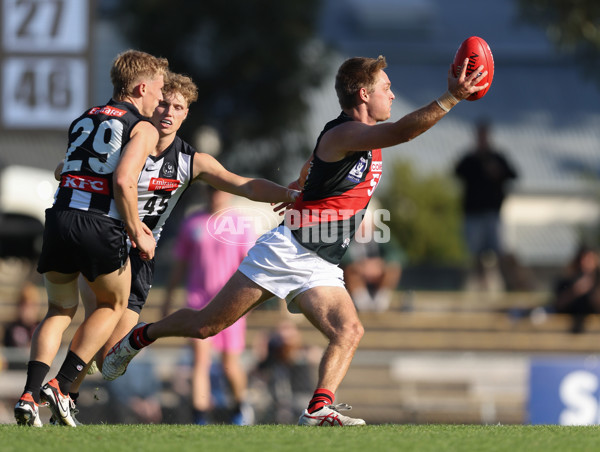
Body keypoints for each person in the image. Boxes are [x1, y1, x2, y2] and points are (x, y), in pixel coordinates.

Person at [102, 54, 487, 426]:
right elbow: (402, 131)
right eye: (386, 87)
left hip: (321, 263)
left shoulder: (355, 138)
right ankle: (139, 336)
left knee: (349, 330)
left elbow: (314, 164)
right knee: (206, 327)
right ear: (364, 95)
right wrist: (451, 96)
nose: (392, 93)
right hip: (288, 252)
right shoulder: (347, 132)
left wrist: (300, 186)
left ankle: (318, 409)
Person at [60, 72, 299, 425]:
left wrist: (289, 194)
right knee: (97, 328)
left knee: (109, 354)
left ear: (186, 114)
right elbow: (71, 168)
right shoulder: (126, 141)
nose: (168, 112)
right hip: (107, 245)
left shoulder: (191, 161)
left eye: (178, 107)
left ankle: (63, 393)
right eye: (163, 103)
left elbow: (243, 185)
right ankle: (62, 397)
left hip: (141, 259)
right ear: (151, 104)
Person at [14, 49, 168, 428]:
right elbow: (122, 180)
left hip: (59, 219)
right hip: (99, 225)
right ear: (141, 87)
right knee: (111, 306)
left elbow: (60, 170)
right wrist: (137, 233)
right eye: (160, 90)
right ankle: (64, 386)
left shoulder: (85, 117)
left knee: (58, 311)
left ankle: (29, 395)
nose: (161, 100)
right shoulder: (143, 126)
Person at [161, 187, 253, 425]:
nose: (215, 195)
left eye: (220, 191)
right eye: (211, 190)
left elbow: (249, 264)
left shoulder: (240, 224)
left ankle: (240, 408)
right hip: (198, 302)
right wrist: (167, 300)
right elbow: (179, 266)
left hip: (231, 302)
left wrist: (249, 300)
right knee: (200, 362)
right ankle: (199, 415)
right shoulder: (193, 223)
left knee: (229, 365)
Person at [454, 119, 518, 291]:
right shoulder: (470, 158)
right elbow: (457, 172)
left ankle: (506, 286)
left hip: (493, 213)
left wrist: (497, 171)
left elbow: (513, 175)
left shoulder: (497, 157)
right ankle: (476, 286)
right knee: (475, 254)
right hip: (473, 214)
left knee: (499, 253)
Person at [341, 205, 404, 312]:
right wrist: (361, 266)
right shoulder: (346, 237)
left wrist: (380, 264)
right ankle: (362, 304)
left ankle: (380, 303)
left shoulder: (381, 236)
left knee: (393, 268)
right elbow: (341, 257)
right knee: (350, 271)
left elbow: (398, 254)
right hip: (355, 274)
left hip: (377, 274)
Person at [550, 245, 600, 333]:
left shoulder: (597, 282)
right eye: (583, 259)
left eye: (590, 260)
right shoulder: (567, 281)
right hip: (565, 331)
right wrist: (575, 291)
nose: (586, 263)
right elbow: (557, 305)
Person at [3, 282, 41, 349]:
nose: (27, 309)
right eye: (24, 305)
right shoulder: (11, 329)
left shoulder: (42, 327)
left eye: (31, 305)